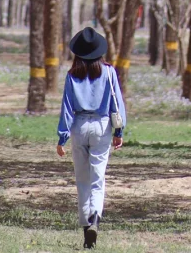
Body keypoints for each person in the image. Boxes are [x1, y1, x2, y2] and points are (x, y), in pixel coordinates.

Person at [56, 27, 126, 248]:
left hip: (78, 126)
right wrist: (119, 132)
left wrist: (62, 137)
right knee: (98, 178)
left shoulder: (71, 74)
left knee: (82, 180)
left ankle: (87, 227)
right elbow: (117, 103)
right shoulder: (109, 72)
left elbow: (66, 108)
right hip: (102, 126)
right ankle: (95, 216)